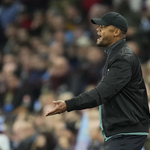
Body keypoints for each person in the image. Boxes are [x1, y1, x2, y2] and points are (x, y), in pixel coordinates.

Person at [45, 12, 150, 150]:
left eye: (103, 27)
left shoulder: (123, 58)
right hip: (122, 132)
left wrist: (69, 104)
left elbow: (102, 93)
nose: (97, 29)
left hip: (126, 133)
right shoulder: (116, 55)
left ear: (116, 32)